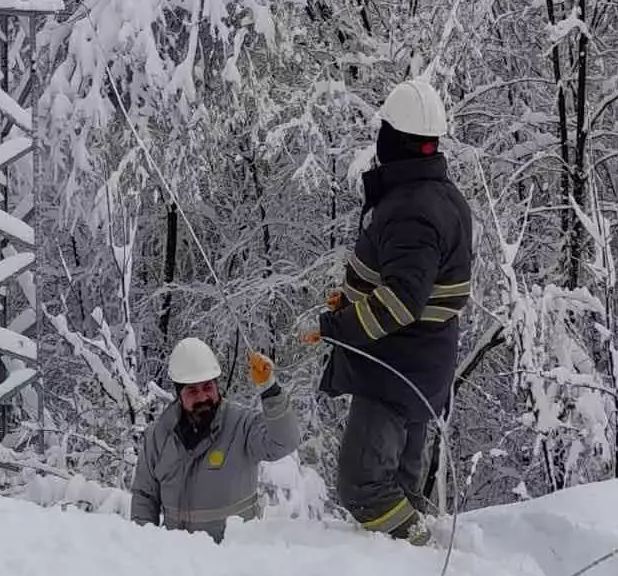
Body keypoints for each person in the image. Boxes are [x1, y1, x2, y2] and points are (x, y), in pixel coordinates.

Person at [313, 78, 473, 544]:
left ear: (393, 139)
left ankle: (418, 548)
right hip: (423, 365)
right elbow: (415, 285)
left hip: (393, 368)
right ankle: (405, 575)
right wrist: (356, 293)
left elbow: (402, 301)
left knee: (364, 487)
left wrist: (337, 326)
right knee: (400, 485)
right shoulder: (441, 196)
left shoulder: (412, 208)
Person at [129, 336, 300, 540]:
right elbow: (144, 497)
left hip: (231, 559)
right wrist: (145, 546)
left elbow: (284, 442)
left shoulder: (241, 425)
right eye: (192, 390)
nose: (202, 397)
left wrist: (271, 391)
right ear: (179, 394)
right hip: (177, 561)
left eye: (208, 387)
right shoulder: (159, 436)